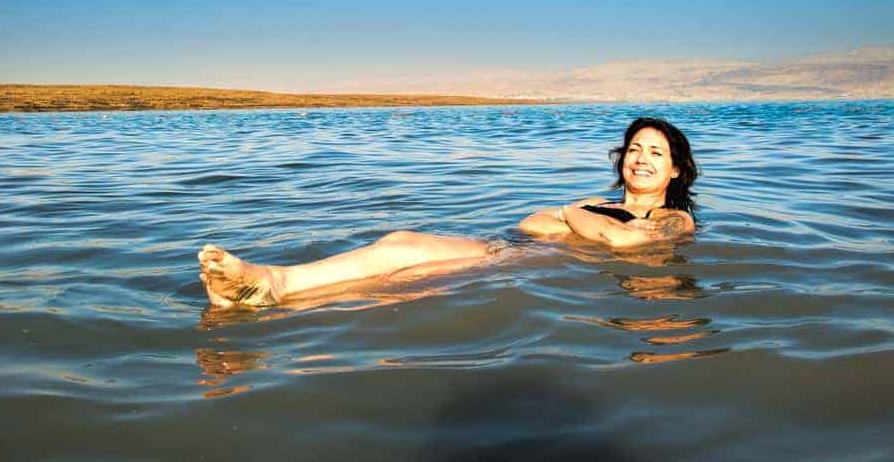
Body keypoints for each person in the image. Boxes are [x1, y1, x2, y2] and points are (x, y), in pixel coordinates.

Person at [198, 117, 698, 308]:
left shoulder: (675, 219)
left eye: (656, 152)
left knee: (402, 260)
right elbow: (530, 223)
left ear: (676, 170)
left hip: (531, 268)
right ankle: (264, 289)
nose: (641, 158)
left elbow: (620, 242)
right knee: (398, 252)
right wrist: (578, 223)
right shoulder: (602, 205)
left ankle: (272, 285)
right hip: (514, 250)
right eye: (635, 148)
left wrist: (569, 214)